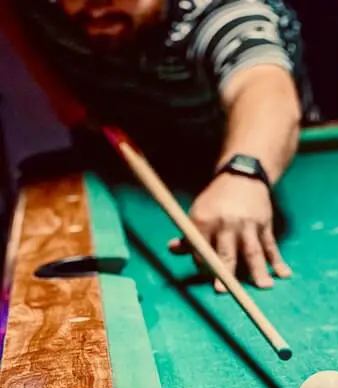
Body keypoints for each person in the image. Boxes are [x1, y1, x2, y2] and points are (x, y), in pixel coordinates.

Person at [11, 0, 315, 290]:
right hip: (121, 146)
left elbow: (263, 85)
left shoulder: (218, 11)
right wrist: (53, 86)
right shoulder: (52, 9)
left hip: (220, 142)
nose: (96, 3)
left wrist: (244, 173)